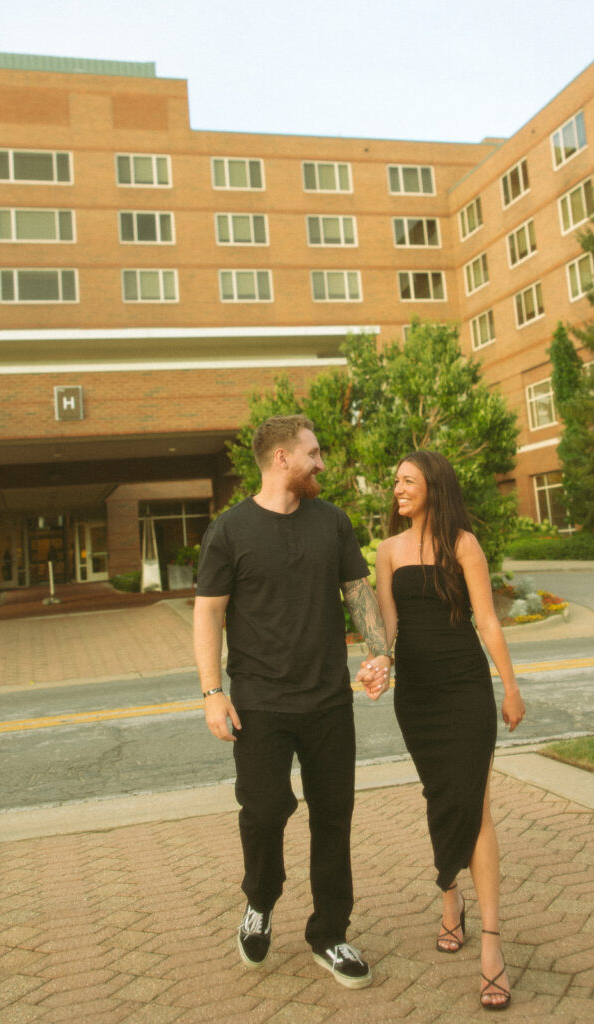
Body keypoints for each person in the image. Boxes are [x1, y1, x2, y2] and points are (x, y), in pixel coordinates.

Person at [193, 414, 392, 989]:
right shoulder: (229, 532)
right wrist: (212, 693)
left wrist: (380, 655)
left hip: (329, 700)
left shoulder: (331, 522)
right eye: (314, 453)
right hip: (259, 703)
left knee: (334, 818)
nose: (321, 463)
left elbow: (358, 593)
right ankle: (260, 900)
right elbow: (208, 613)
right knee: (263, 811)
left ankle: (330, 933)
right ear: (282, 458)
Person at [358, 450, 525, 1010]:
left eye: (407, 480)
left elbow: (489, 620)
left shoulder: (463, 544)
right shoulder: (387, 552)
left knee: (472, 802)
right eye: (395, 481)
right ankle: (450, 895)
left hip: (466, 688)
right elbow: (386, 630)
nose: (397, 489)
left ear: (433, 485)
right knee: (440, 797)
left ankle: (494, 945)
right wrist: (379, 667)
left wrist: (510, 685)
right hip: (420, 698)